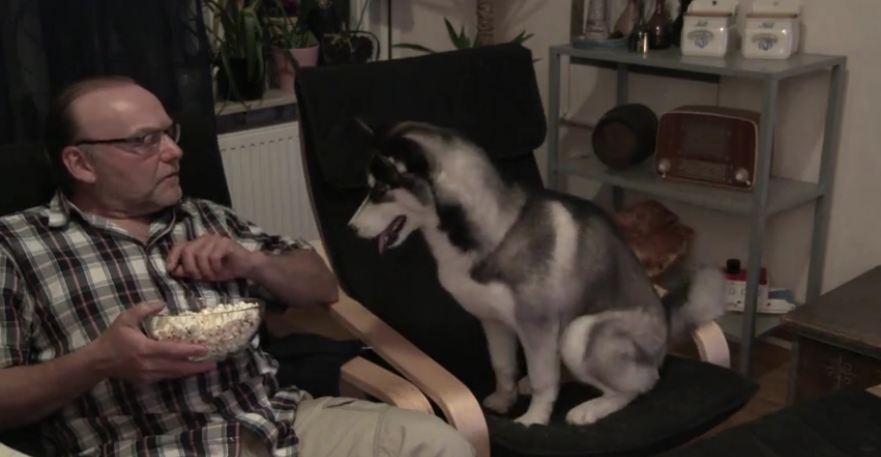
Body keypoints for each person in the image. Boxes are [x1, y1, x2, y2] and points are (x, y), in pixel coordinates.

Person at [0, 76, 475, 457]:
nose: (174, 151)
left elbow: (321, 286)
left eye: (170, 133)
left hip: (277, 425)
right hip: (142, 443)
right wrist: (99, 361)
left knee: (439, 444)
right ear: (81, 163)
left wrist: (253, 261)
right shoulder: (16, 245)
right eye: (145, 141)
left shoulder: (207, 216)